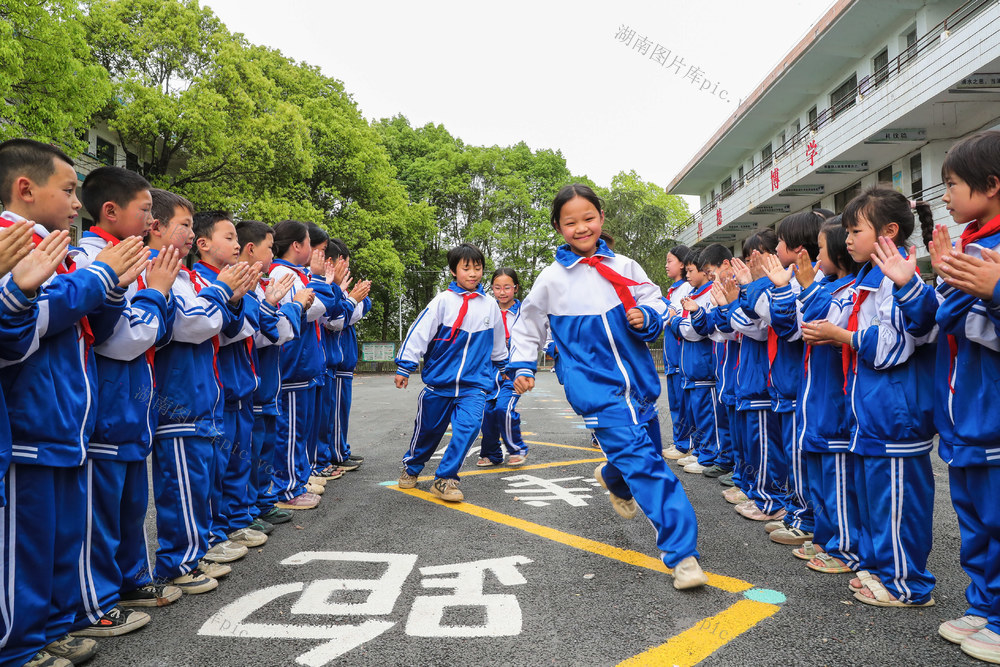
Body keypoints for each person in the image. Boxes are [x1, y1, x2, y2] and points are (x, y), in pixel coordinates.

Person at [508, 183, 706, 590]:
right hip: (594, 389)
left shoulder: (626, 266)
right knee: (648, 466)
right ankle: (683, 555)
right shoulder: (551, 279)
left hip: (639, 386)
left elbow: (656, 300)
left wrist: (646, 317)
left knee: (640, 455)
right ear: (559, 228)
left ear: (600, 217)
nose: (581, 228)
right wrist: (522, 366)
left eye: (589, 218)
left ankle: (613, 477)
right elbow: (527, 326)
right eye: (570, 222)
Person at [0, 139, 148, 666]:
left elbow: (93, 330)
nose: (73, 202)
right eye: (66, 189)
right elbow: (25, 327)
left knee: (58, 540)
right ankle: (18, 647)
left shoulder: (52, 252)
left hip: (65, 421)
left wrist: (109, 288)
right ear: (25, 188)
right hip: (31, 421)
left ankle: (49, 629)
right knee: (25, 547)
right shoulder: (13, 244)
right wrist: (98, 279)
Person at [802, 186, 937, 608]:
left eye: (854, 230)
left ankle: (906, 584)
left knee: (897, 505)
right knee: (878, 501)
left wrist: (841, 336)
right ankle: (883, 570)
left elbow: (891, 347)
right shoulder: (867, 278)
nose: (847, 240)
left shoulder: (898, 278)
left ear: (889, 231)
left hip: (896, 414)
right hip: (874, 413)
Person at [73, 167, 182, 637]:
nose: (150, 222)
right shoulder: (90, 258)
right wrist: (156, 295)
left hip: (134, 400)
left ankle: (132, 578)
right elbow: (120, 339)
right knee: (101, 509)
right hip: (108, 402)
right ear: (111, 210)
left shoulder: (131, 255)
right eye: (145, 212)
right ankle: (96, 598)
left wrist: (156, 299)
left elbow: (156, 329)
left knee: (132, 503)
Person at [146, 189, 257, 593]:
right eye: (185, 225)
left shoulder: (187, 278)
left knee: (203, 479)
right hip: (179, 401)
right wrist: (222, 293)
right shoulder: (160, 273)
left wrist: (233, 297)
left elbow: (227, 326)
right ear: (155, 226)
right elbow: (194, 325)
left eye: (193, 226)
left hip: (203, 397)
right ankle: (178, 561)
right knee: (182, 485)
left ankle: (196, 550)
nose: (191, 234)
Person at [926, 130, 1000, 660]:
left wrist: (994, 291)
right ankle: (985, 606)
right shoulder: (972, 247)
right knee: (974, 521)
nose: (944, 196)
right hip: (963, 412)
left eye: (951, 184)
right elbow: (942, 320)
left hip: (991, 412)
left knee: (997, 519)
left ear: (991, 185)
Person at [395, 243, 507, 502]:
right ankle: (412, 466)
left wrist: (504, 367)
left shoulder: (490, 305)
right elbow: (419, 333)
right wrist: (405, 365)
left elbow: (498, 341)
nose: (473, 274)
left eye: (477, 268)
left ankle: (445, 478)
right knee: (428, 432)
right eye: (466, 268)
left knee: (468, 428)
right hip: (439, 384)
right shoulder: (443, 301)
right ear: (454, 271)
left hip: (474, 385)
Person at [191, 211, 269, 554]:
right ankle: (217, 529)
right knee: (217, 466)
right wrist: (236, 297)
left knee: (239, 459)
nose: (237, 245)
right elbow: (231, 329)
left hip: (241, 384)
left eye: (237, 239)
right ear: (203, 244)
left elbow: (256, 324)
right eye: (229, 238)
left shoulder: (238, 282)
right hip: (220, 387)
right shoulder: (199, 282)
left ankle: (235, 520)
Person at [791, 218, 861, 572]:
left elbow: (820, 326)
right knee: (820, 477)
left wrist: (808, 289)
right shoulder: (832, 288)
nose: (817, 256)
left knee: (836, 483)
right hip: (816, 400)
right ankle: (825, 538)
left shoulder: (849, 291)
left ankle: (843, 548)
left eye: (821, 248)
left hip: (834, 402)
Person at [758, 210, 827, 546]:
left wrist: (781, 290)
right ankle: (799, 513)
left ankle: (807, 518)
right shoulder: (800, 283)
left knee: (806, 458)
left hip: (806, 389)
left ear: (800, 248)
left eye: (781, 242)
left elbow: (790, 330)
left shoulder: (815, 285)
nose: (776, 248)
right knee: (795, 454)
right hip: (791, 386)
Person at [268, 220, 345, 509]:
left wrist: (322, 285)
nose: (319, 255)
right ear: (299, 246)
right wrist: (321, 283)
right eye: (316, 248)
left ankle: (297, 478)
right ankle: (287, 487)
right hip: (293, 364)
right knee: (289, 431)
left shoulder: (296, 275)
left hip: (304, 363)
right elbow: (308, 312)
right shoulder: (283, 274)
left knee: (300, 430)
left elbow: (323, 309)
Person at [235, 220, 307, 529]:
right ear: (251, 249)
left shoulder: (260, 285)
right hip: (252, 385)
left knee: (263, 448)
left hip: (267, 384)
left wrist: (279, 311)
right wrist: (292, 308)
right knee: (246, 453)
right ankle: (246, 511)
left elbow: (277, 330)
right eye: (269, 247)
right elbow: (271, 334)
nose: (272, 253)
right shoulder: (246, 290)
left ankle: (261, 503)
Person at [726, 231, 788, 522]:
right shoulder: (755, 288)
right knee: (754, 445)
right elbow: (733, 323)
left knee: (767, 447)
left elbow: (758, 326)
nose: (750, 260)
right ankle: (758, 491)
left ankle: (771, 499)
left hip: (765, 382)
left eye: (757, 254)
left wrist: (745, 297)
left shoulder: (775, 286)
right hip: (750, 381)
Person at [668, 251, 719, 474]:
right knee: (696, 414)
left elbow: (693, 332)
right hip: (692, 367)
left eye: (690, 270)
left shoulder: (707, 295)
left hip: (703, 367)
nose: (688, 275)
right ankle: (700, 451)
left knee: (707, 416)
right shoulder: (696, 294)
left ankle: (708, 455)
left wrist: (675, 320)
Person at [325, 238, 371, 472]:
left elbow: (355, 310)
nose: (347, 271)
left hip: (342, 360)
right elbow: (341, 319)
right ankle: (335, 452)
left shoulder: (337, 290)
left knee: (340, 410)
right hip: (336, 359)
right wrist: (355, 298)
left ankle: (339, 448)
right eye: (345, 265)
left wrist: (358, 299)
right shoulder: (330, 288)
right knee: (334, 412)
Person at [477, 267, 528, 467]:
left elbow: (536, 336)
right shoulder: (487, 310)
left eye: (507, 287)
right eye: (497, 288)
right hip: (489, 371)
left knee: (503, 409)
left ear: (515, 288)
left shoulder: (525, 312)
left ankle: (517, 449)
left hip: (514, 370)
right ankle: (491, 453)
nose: (502, 292)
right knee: (487, 413)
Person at [661, 245, 693, 461]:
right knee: (675, 403)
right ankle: (679, 441)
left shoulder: (685, 290)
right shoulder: (673, 291)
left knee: (684, 404)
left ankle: (685, 443)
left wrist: (667, 310)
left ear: (682, 264)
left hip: (681, 356)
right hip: (670, 358)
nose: (666, 265)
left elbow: (679, 322)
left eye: (670, 260)